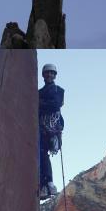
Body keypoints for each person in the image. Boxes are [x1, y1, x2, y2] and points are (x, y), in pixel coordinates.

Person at [39, 64, 65, 200]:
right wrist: (45, 104)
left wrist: (41, 103)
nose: (49, 75)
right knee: (42, 154)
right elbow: (52, 105)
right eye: (47, 73)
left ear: (55, 75)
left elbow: (56, 105)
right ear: (43, 75)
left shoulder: (59, 90)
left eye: (52, 73)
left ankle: (47, 183)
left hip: (52, 129)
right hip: (43, 128)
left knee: (44, 154)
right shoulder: (39, 93)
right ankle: (46, 183)